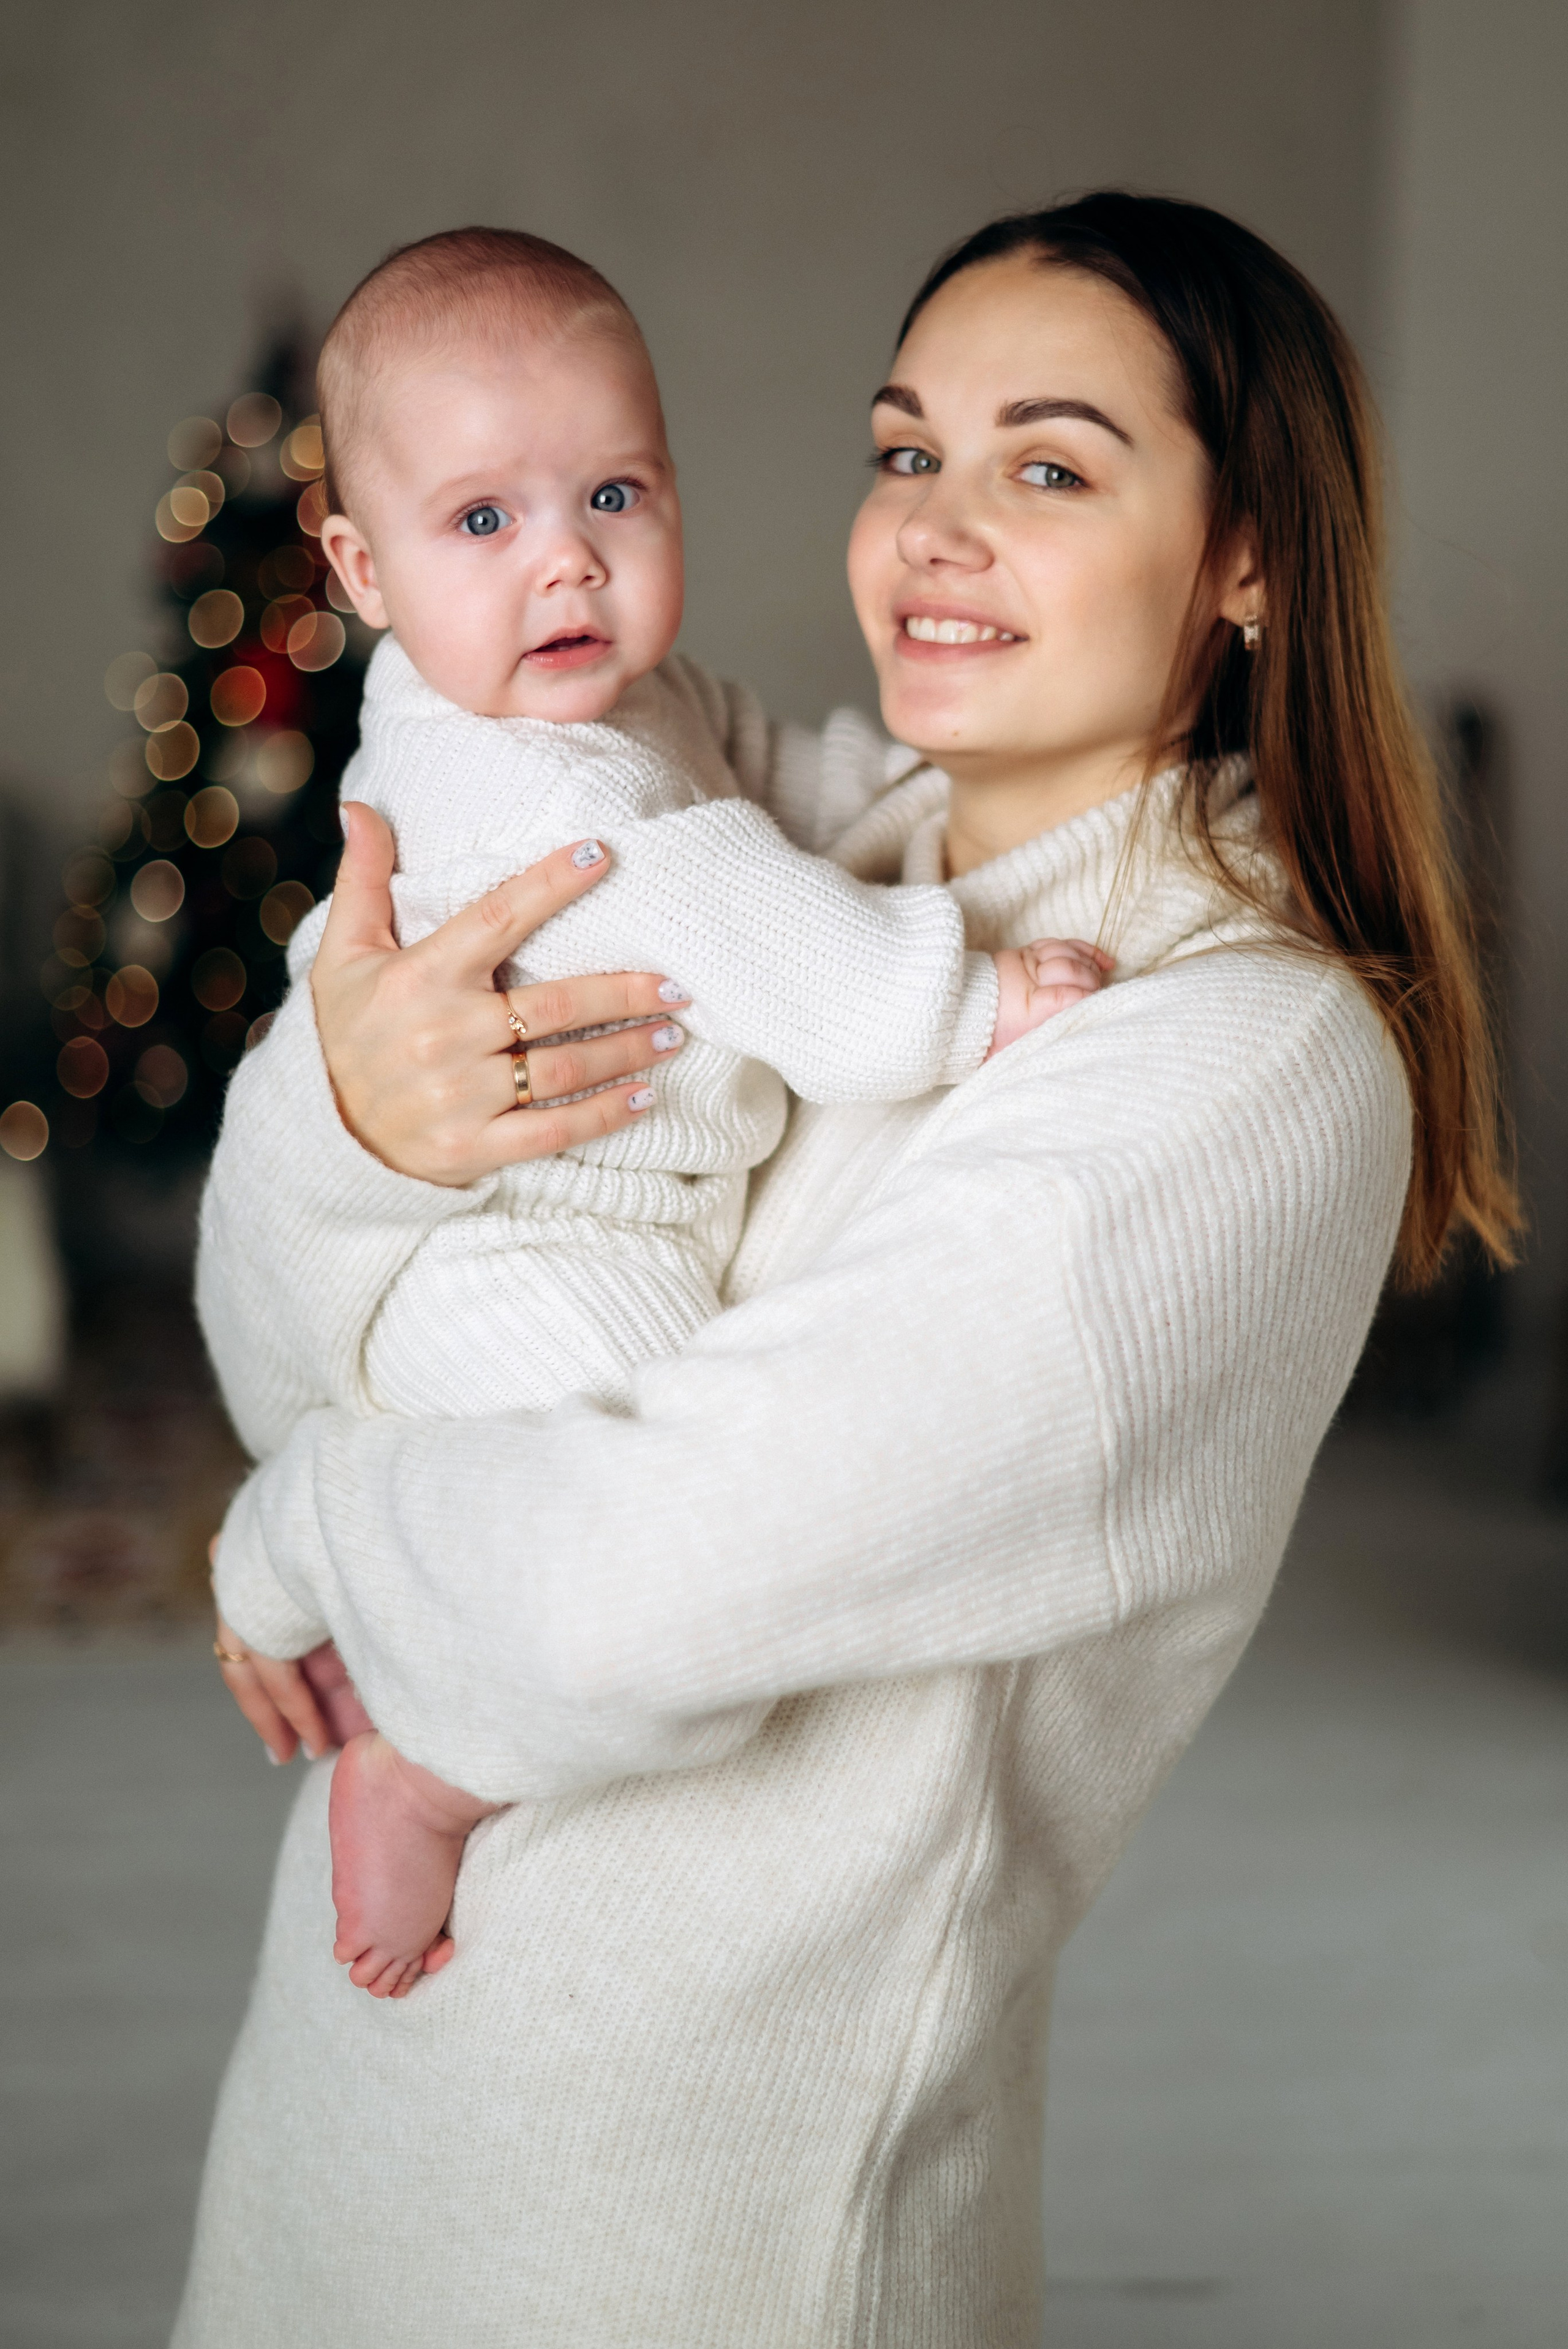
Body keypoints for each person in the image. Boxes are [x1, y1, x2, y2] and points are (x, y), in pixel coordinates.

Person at [177, 193, 1515, 2348]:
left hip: (686, 2226)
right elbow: (275, 1340)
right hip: (378, 2095)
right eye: (909, 452)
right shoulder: (805, 841)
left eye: (1049, 466)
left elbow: (624, 1575)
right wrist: (354, 1120)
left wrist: (310, 1522)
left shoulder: (1240, 1058)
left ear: (1250, 551)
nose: (934, 530)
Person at [264, 224, 1104, 1999]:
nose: (565, 560)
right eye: (483, 522)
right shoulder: (537, 783)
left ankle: (355, 1559)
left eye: (616, 496)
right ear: (359, 563)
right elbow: (764, 921)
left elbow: (772, 765)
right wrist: (972, 995)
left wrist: (926, 786)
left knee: (677, 1543)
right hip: (533, 1248)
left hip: (575, 1223)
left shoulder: (617, 701)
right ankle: (425, 1756)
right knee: (683, 1606)